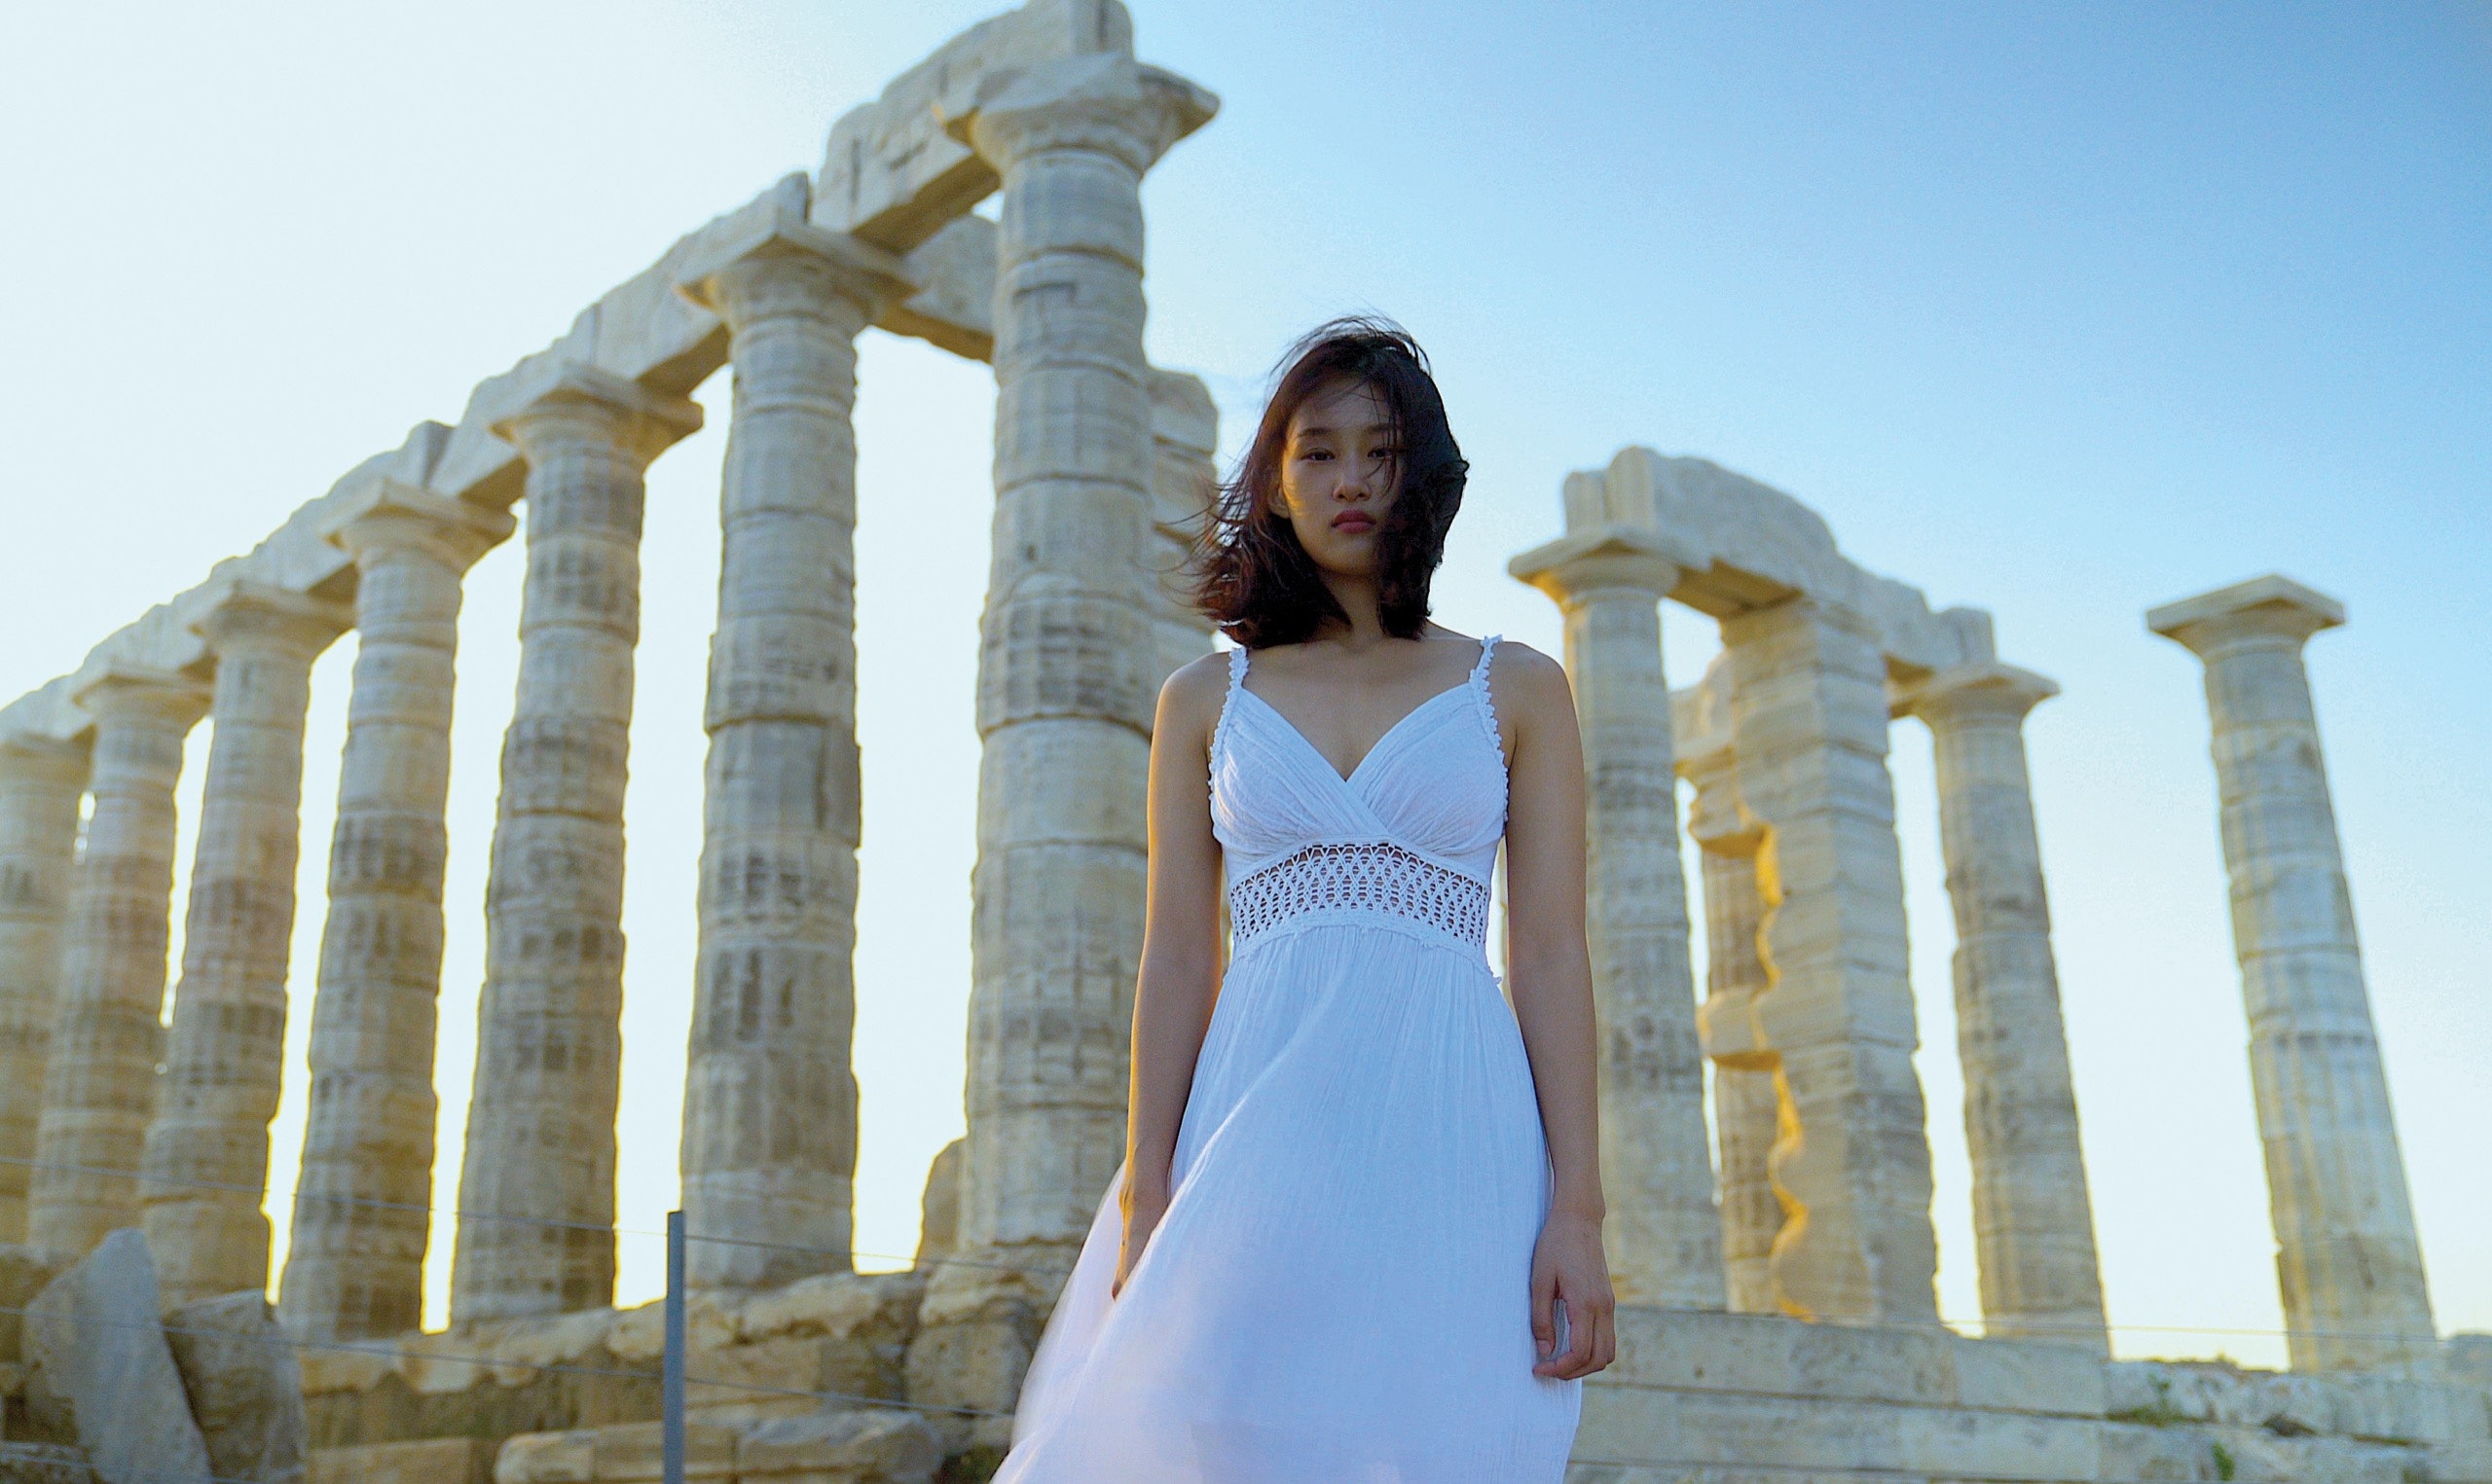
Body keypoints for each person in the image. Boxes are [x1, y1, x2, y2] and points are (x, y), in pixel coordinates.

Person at [992, 318, 1614, 1482]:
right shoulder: (1201, 697)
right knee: (1208, 1430)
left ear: (1422, 475)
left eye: (1381, 453)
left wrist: (1576, 1211)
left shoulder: (1520, 686)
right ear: (1276, 481)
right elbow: (1178, 957)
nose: (1351, 481)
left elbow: (1548, 956)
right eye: (1318, 452)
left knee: (1434, 1435)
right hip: (1255, 1117)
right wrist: (1147, 1189)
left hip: (1453, 1124)